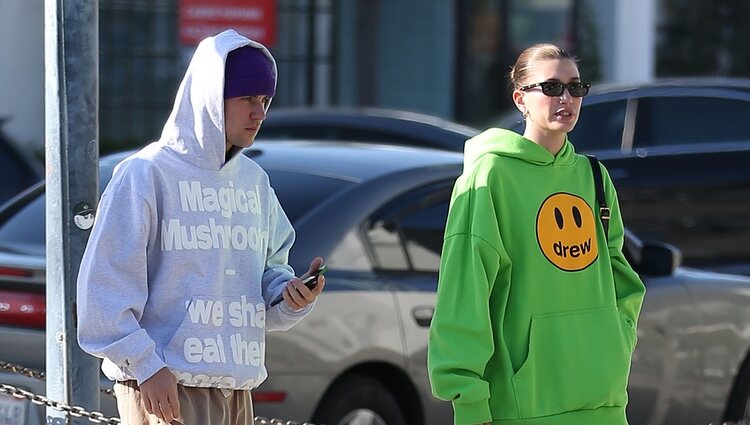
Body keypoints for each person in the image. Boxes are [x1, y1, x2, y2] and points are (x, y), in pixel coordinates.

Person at [76, 29, 325, 425]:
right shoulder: (145, 174)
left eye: (265, 100)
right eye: (247, 98)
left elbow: (267, 275)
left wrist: (289, 296)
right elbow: (103, 292)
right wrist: (147, 367)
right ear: (211, 96)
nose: (259, 113)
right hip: (164, 387)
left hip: (236, 389)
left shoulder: (254, 182)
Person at [427, 44, 646, 425]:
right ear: (520, 99)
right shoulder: (490, 176)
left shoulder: (594, 176)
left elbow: (619, 275)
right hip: (522, 406)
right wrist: (467, 396)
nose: (566, 98)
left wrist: (615, 340)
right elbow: (465, 290)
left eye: (575, 88)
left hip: (603, 401)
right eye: (550, 88)